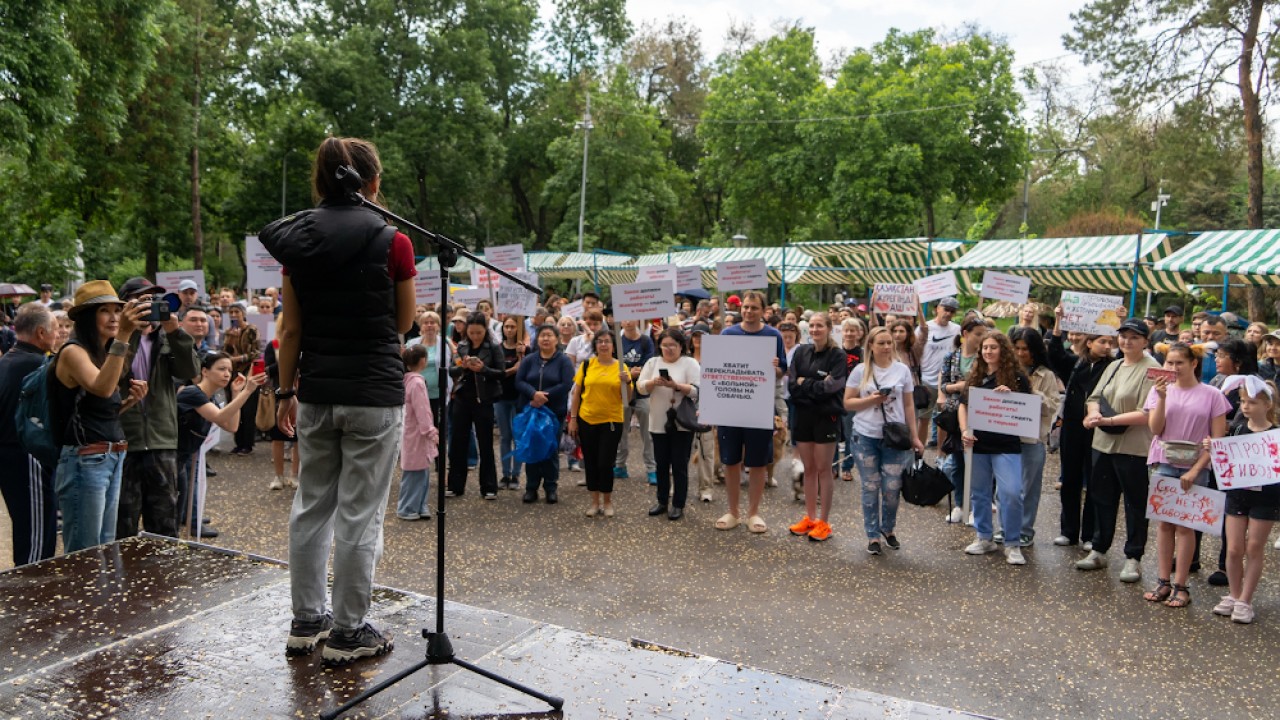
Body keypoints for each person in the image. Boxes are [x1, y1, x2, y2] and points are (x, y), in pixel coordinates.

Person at [264, 136, 417, 665]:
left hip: (317, 393)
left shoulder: (296, 244)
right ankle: (350, 632)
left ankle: (307, 621)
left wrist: (285, 391)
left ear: (320, 182)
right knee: (359, 515)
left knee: (311, 506)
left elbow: (292, 329)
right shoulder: (393, 241)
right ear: (371, 183)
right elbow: (402, 323)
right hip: (374, 393)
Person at [53, 280, 149, 553]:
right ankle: (83, 596)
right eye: (104, 311)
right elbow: (103, 387)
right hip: (86, 459)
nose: (114, 317)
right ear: (85, 317)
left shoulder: (103, 353)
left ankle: (99, 596)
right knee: (86, 549)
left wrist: (130, 402)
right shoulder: (73, 352)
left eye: (117, 311)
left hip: (110, 454)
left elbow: (96, 408)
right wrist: (124, 336)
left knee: (105, 544)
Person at [1141, 342, 1228, 609]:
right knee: (1165, 524)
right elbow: (1155, 429)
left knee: (1185, 525)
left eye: (1179, 363)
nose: (1174, 368)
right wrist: (1163, 398)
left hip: (1195, 464)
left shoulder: (1212, 395)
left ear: (1193, 363)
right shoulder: (1159, 391)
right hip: (1163, 460)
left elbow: (1217, 439)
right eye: (1169, 362)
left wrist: (1196, 469)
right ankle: (1162, 580)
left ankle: (1182, 584)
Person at [114, 277, 202, 541]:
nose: (149, 306)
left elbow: (190, 372)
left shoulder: (167, 338)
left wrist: (175, 332)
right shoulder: (115, 337)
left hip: (161, 439)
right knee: (123, 520)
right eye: (141, 300)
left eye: (153, 300)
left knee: (165, 521)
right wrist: (127, 331)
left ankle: (164, 579)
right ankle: (123, 577)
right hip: (125, 439)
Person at [1077, 319, 1160, 579]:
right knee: (1101, 497)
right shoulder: (1114, 365)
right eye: (1123, 336)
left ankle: (1133, 556)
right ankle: (1099, 549)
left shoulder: (1153, 369)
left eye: (1134, 337)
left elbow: (1148, 412)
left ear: (1146, 341)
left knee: (1135, 504)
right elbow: (1094, 398)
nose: (1126, 341)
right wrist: (1092, 415)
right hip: (1103, 443)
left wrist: (1107, 420)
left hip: (1134, 447)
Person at [845, 326, 922, 554]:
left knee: (891, 487)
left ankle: (888, 529)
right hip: (865, 436)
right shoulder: (860, 371)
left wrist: (915, 436)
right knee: (870, 486)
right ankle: (872, 536)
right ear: (871, 345)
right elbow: (847, 403)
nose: (887, 347)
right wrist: (871, 400)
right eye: (881, 343)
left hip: (895, 438)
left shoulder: (902, 370)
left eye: (889, 342)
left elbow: (909, 405)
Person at [715, 291, 787, 533]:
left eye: (754, 308)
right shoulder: (728, 333)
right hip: (731, 405)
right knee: (731, 460)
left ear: (763, 310)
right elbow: (718, 368)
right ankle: (733, 511)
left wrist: (776, 368)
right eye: (745, 307)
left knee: (758, 462)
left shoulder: (773, 335)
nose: (748, 311)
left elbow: (782, 372)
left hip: (760, 406)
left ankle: (753, 512)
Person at [958, 332, 1032, 566]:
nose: (988, 352)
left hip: (1006, 444)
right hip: (978, 443)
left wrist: (1011, 397)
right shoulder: (976, 376)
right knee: (979, 493)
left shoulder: (1017, 377)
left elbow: (1027, 408)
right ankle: (984, 537)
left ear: (1003, 350)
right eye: (985, 348)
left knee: (1011, 493)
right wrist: (964, 431)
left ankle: (1012, 542)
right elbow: (963, 405)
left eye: (993, 347)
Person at [176, 353, 265, 537]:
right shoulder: (192, 392)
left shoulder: (211, 398)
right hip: (174, 455)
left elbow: (231, 426)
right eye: (221, 369)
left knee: (188, 492)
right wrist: (247, 392)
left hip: (189, 452)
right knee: (178, 498)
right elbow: (219, 417)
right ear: (205, 371)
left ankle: (189, 522)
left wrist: (236, 393)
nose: (226, 374)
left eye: (229, 371)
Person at [1213, 376, 1279, 623]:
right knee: (1233, 548)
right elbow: (1227, 460)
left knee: (1254, 547)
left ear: (1267, 405)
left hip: (1267, 496)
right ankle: (1234, 593)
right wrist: (1215, 449)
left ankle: (1245, 600)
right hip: (1238, 494)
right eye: (1243, 401)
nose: (1246, 407)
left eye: (1252, 402)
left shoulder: (1276, 434)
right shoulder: (1238, 429)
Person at [1047, 316, 1115, 548]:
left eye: (1110, 342)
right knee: (1070, 479)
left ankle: (1089, 535)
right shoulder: (1075, 363)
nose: (1107, 347)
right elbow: (1054, 353)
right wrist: (1058, 321)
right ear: (1089, 343)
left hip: (1098, 428)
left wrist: (1121, 319)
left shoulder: (1113, 367)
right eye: (1102, 342)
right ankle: (1068, 530)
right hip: (1073, 427)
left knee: (1095, 481)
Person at [0, 303, 58, 565]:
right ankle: (32, 594)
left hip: (12, 456)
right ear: (41, 333)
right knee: (35, 538)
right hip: (27, 456)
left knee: (31, 528)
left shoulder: (8, 360)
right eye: (56, 329)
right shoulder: (36, 365)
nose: (58, 336)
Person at [786, 313, 848, 543]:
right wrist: (813, 386)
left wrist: (806, 384)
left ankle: (824, 521)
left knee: (824, 469)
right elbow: (792, 384)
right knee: (809, 469)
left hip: (827, 417)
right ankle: (810, 518)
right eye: (811, 326)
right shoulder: (801, 352)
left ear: (829, 328)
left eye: (819, 326)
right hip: (803, 415)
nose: (814, 330)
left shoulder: (838, 355)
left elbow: (832, 386)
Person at [637, 327, 700, 520]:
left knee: (679, 464)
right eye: (665, 345)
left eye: (673, 345)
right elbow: (640, 387)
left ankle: (678, 503)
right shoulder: (652, 362)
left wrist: (676, 386)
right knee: (661, 463)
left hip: (681, 421)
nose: (669, 349)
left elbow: (698, 390)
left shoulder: (689, 363)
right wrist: (653, 383)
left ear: (681, 346)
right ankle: (662, 500)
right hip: (658, 420)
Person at [569, 331, 632, 518]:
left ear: (614, 346)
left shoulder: (622, 367)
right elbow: (576, 393)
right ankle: (594, 502)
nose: (603, 345)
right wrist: (573, 419)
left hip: (611, 420)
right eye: (600, 341)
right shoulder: (588, 365)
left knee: (605, 462)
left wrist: (627, 382)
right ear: (595, 345)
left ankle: (607, 501)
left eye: (607, 342)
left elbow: (627, 399)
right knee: (591, 462)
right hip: (587, 419)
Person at [1009, 327, 1060, 546]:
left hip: (1032, 439)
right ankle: (1005, 526)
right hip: (1007, 436)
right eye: (1017, 348)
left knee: (1028, 488)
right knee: (1007, 487)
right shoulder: (1006, 370)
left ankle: (1025, 529)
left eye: (1026, 349)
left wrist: (1032, 392)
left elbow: (1053, 407)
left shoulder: (1046, 375)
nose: (1021, 354)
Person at [447, 312, 505, 499]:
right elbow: (451, 370)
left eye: (479, 332)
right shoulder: (462, 346)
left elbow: (501, 373)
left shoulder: (493, 347)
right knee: (458, 442)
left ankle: (489, 487)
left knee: (486, 443)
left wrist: (483, 369)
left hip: (484, 400)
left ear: (485, 330)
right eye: (472, 332)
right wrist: (463, 367)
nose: (475, 336)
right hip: (463, 398)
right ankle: (455, 485)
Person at [515, 324, 575, 504]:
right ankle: (531, 487)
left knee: (550, 449)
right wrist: (533, 394)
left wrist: (544, 396)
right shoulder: (529, 359)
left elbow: (566, 384)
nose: (546, 339)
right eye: (542, 336)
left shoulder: (563, 361)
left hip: (553, 412)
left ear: (557, 339)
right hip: (531, 410)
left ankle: (550, 487)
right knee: (532, 448)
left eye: (549, 336)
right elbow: (519, 381)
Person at [937, 318, 986, 520]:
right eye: (978, 334)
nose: (982, 338)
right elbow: (944, 386)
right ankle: (959, 504)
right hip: (956, 414)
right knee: (958, 462)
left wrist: (962, 386)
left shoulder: (984, 357)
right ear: (965, 334)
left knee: (977, 463)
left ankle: (976, 506)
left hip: (981, 413)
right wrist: (959, 387)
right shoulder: (951, 357)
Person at [396, 345, 439, 521]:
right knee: (415, 471)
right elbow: (423, 410)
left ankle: (419, 505)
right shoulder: (417, 383)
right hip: (418, 432)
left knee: (420, 470)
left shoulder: (407, 380)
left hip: (411, 430)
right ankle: (407, 507)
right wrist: (430, 430)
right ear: (423, 361)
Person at [615, 319, 656, 484]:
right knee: (621, 432)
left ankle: (652, 469)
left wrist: (633, 373)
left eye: (631, 318)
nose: (628, 322)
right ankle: (619, 465)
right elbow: (615, 365)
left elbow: (649, 365)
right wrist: (628, 373)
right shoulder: (617, 341)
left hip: (642, 393)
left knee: (647, 433)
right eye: (624, 319)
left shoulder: (646, 341)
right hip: (623, 393)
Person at [263, 311, 299, 492]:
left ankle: (295, 475)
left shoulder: (305, 344)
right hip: (278, 396)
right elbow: (267, 369)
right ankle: (278, 476)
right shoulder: (274, 345)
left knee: (298, 438)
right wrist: (289, 359)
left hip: (301, 395)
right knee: (277, 438)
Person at [495, 316, 527, 490]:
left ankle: (516, 474)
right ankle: (505, 474)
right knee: (505, 436)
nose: (509, 330)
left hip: (519, 398)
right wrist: (512, 370)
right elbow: (496, 372)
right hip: (501, 397)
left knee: (519, 437)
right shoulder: (498, 349)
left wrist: (525, 354)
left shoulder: (524, 350)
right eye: (506, 326)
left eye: (513, 326)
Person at [687, 324, 716, 502]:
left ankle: (706, 488)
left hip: (707, 408)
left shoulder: (715, 360)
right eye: (695, 335)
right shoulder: (684, 359)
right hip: (686, 409)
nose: (698, 339)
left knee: (706, 450)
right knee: (682, 450)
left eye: (702, 335)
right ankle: (678, 485)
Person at [224, 321, 261, 455]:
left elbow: (256, 354)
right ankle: (238, 443)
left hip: (248, 375)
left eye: (237, 311)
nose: (234, 314)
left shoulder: (251, 330)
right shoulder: (229, 331)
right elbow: (225, 354)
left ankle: (247, 444)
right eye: (232, 311)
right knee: (234, 409)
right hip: (232, 376)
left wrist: (238, 358)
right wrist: (230, 340)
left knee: (247, 411)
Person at [838, 317, 866, 482]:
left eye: (852, 330)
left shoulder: (862, 354)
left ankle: (847, 467)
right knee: (834, 433)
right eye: (846, 330)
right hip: (836, 396)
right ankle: (833, 466)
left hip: (853, 398)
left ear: (858, 333)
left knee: (850, 434)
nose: (849, 333)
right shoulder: (836, 351)